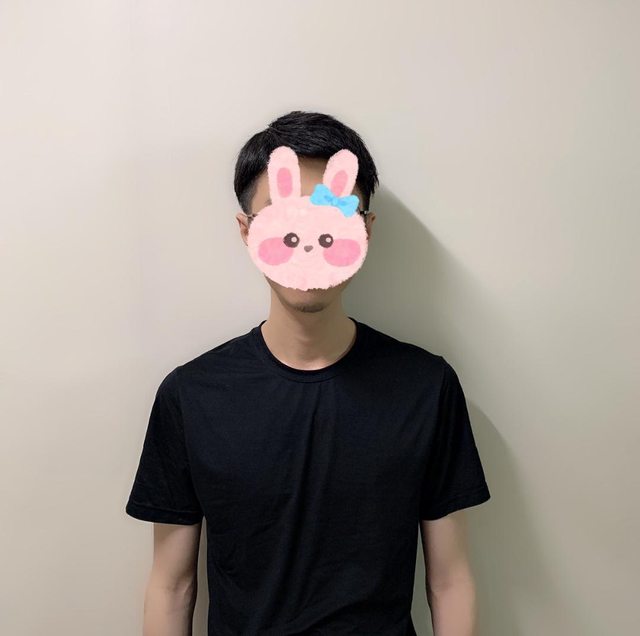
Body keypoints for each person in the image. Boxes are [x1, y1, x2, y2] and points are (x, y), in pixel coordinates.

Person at [125, 110, 491, 636]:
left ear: (364, 229)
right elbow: (171, 586)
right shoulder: (190, 395)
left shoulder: (427, 388)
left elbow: (450, 582)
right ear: (247, 231)